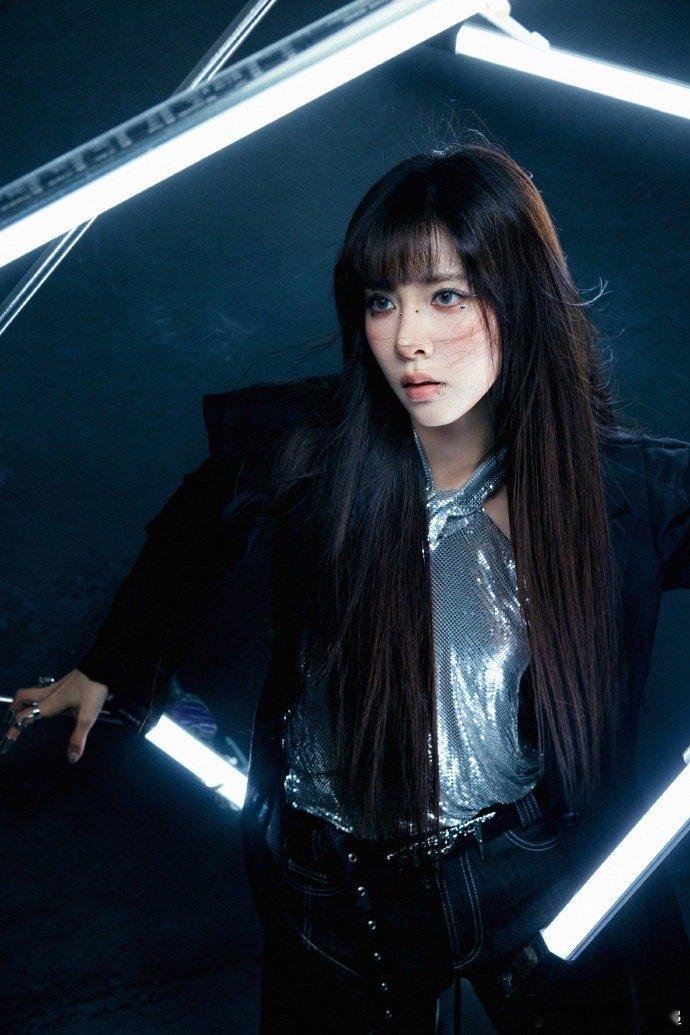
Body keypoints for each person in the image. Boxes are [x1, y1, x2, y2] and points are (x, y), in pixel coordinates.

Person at [5, 137, 689, 1032]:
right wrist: (112, 664)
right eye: (382, 300)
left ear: (518, 297)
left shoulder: (618, 488)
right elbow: (193, 526)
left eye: (446, 296)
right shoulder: (308, 447)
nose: (408, 339)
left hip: (525, 870)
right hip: (334, 893)